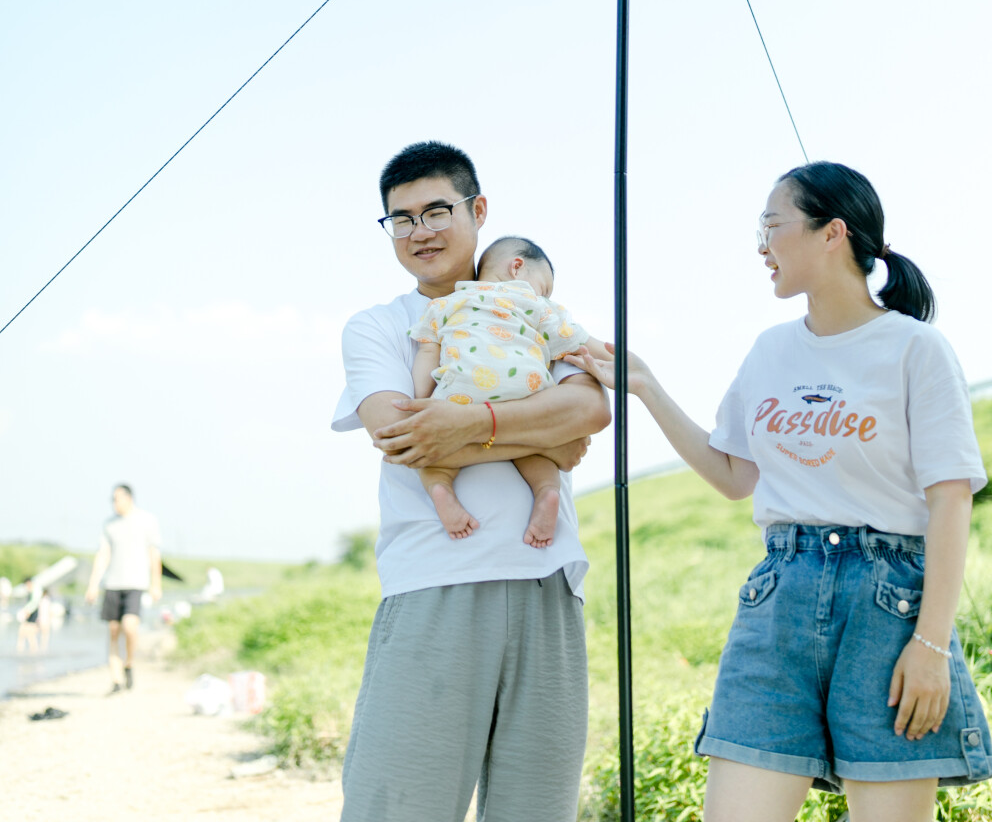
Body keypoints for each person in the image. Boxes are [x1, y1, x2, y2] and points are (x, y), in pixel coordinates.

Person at [566, 161, 991, 822]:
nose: (761, 245)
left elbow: (950, 500)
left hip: (888, 607)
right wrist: (646, 387)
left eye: (772, 225)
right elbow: (735, 476)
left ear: (832, 233)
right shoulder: (770, 351)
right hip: (778, 597)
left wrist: (930, 646)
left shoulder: (914, 349)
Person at [331, 141, 610, 822]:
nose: (420, 231)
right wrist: (538, 431)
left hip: (548, 584)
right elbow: (402, 434)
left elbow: (591, 410)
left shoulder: (532, 306)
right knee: (399, 807)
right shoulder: (379, 327)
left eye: (436, 211)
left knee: (536, 811)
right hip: (434, 584)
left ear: (478, 210)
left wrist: (468, 422)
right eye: (402, 219)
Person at [409, 235, 607, 547]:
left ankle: (441, 489)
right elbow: (583, 345)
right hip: (526, 390)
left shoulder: (446, 303)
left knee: (431, 459)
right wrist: (620, 363)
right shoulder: (537, 305)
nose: (544, 295)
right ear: (517, 267)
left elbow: (426, 354)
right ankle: (546, 491)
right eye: (543, 287)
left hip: (461, 391)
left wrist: (423, 399)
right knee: (536, 444)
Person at [85, 484, 162, 694]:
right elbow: (103, 555)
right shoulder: (109, 524)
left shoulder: (147, 520)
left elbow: (154, 554)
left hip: (136, 584)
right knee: (113, 631)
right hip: (112, 584)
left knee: (129, 627)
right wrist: (93, 584)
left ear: (128, 498)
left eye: (116, 499)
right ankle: (116, 680)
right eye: (112, 499)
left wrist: (156, 584)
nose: (113, 503)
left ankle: (129, 663)